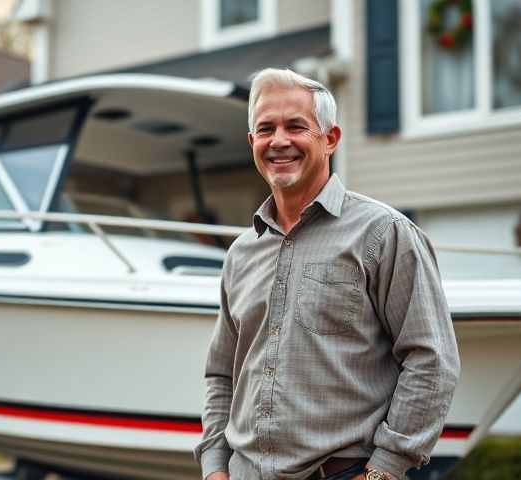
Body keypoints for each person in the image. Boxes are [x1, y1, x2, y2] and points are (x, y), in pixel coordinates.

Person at [194, 68, 460, 480]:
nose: (279, 140)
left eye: (295, 126)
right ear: (252, 143)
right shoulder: (240, 253)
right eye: (265, 129)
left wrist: (383, 471)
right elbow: (221, 373)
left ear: (330, 138)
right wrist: (214, 467)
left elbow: (431, 359)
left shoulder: (384, 233)